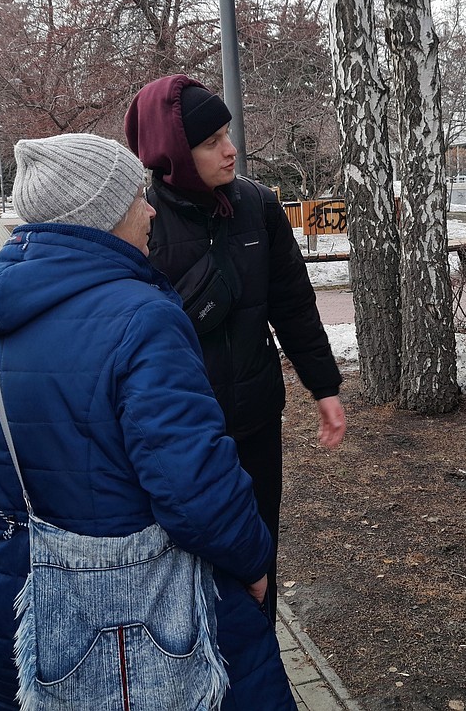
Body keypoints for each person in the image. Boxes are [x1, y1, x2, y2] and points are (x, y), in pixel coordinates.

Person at [0, 133, 294, 710]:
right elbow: (192, 482)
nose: (151, 209)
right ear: (101, 214)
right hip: (144, 602)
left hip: (23, 584)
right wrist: (252, 561)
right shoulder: (144, 316)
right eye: (137, 196)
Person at [125, 75, 346, 617]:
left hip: (253, 417)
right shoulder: (137, 218)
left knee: (258, 554)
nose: (231, 150)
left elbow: (292, 302)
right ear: (173, 152)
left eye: (228, 133)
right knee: (186, 560)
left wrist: (324, 386)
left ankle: (259, 667)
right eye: (210, 141)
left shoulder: (256, 205)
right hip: (177, 431)